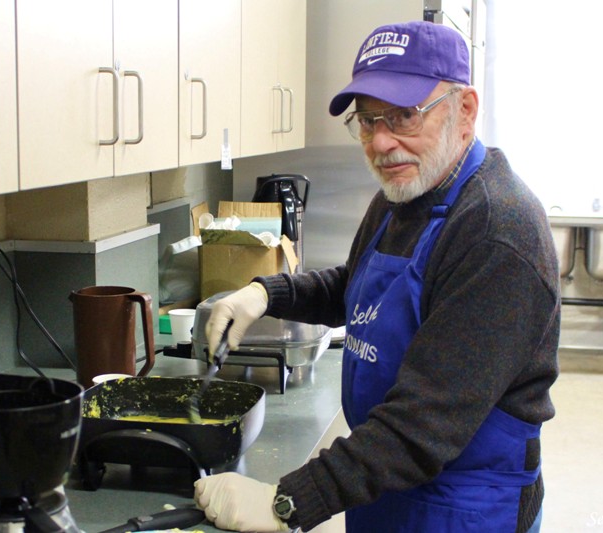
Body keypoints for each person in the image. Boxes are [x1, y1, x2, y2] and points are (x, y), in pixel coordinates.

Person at [194, 20, 560, 533]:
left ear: (466, 110)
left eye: (405, 115)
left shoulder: (499, 231)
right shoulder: (403, 193)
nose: (381, 142)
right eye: (367, 121)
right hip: (383, 481)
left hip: (464, 505)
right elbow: (358, 288)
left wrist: (288, 502)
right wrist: (263, 293)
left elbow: (424, 424)